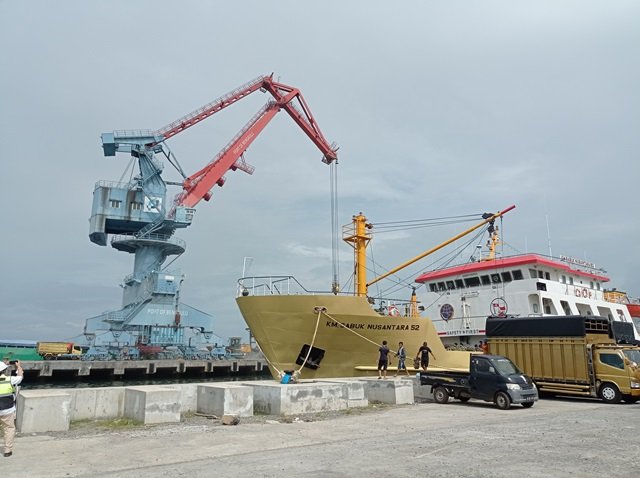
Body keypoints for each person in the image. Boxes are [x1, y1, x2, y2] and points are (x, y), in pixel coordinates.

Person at [0, 360, 23, 457]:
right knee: (9, 429)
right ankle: (7, 450)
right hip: (7, 410)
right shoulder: (10, 380)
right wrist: (19, 366)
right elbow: (20, 377)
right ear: (4, 371)